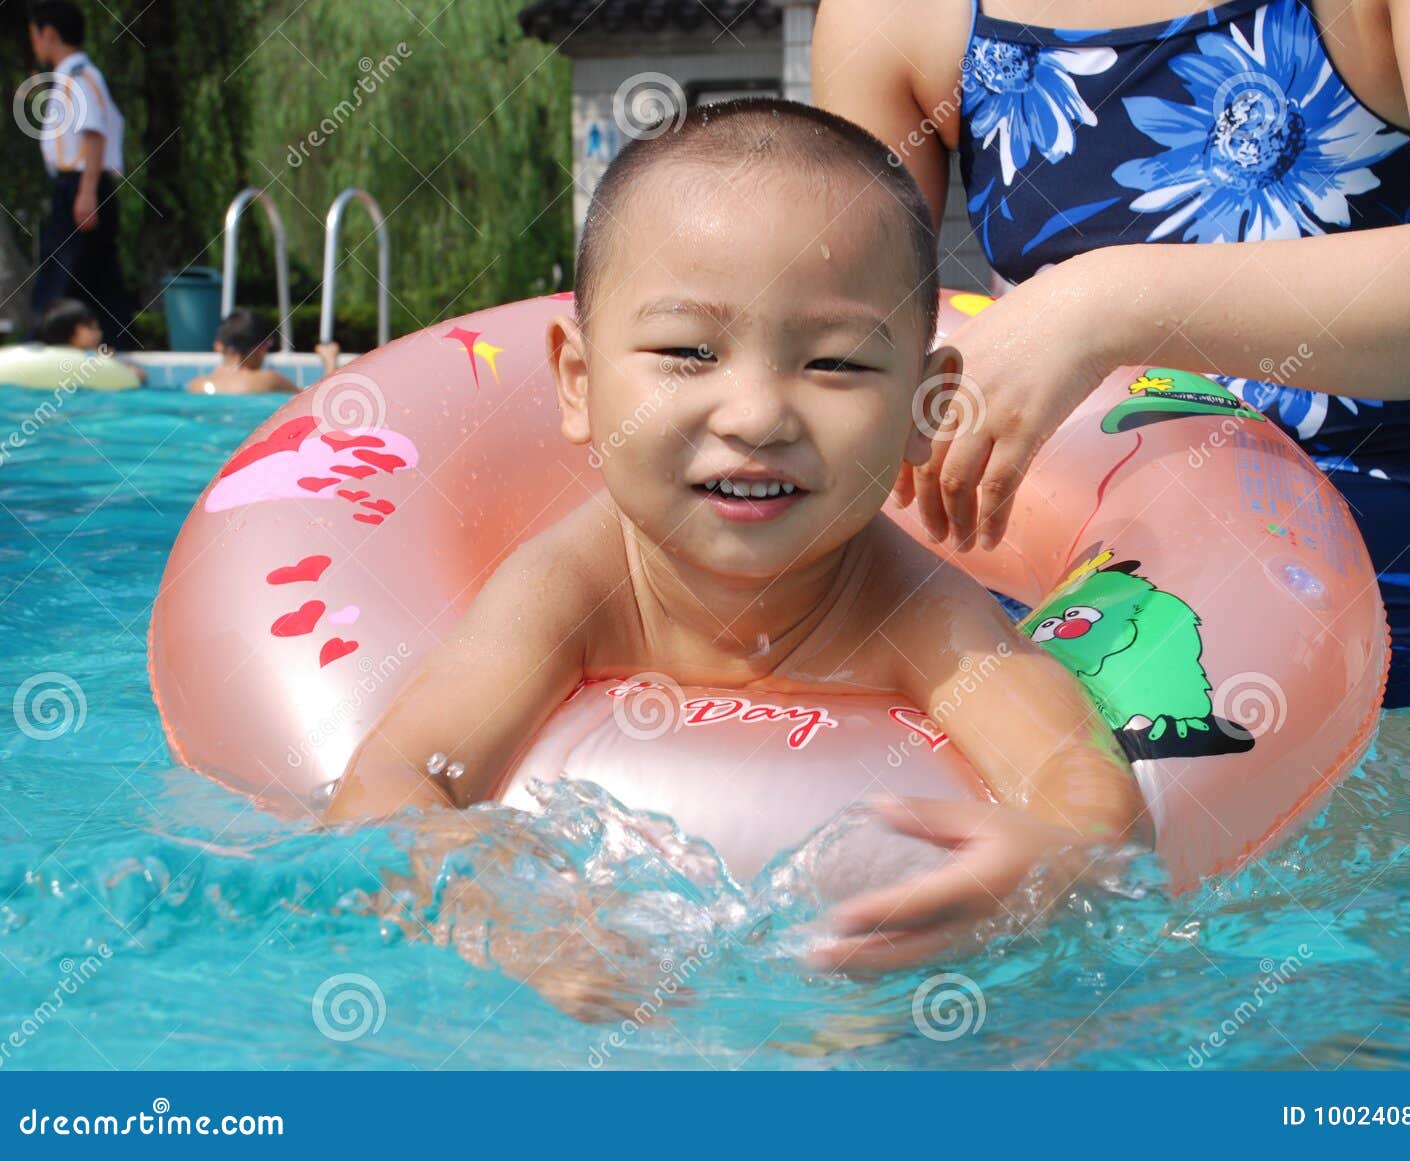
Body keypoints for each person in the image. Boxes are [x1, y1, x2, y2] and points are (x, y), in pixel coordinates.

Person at [325, 98, 1145, 975]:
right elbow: (395, 783)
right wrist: (503, 914)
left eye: (835, 362)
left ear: (927, 406)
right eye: (687, 352)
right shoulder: (567, 587)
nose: (756, 417)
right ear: (576, 380)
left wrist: (1052, 864)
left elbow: (1080, 786)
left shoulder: (916, 612)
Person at [813, 0, 1410, 706]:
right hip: (1063, 591)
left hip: (1403, 624)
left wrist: (1102, 305)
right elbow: (834, 367)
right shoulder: (901, 18)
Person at [26, 1, 132, 349]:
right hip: (77, 185)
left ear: (49, 33)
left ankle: (46, 341)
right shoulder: (71, 78)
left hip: (82, 184)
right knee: (97, 275)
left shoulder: (80, 77)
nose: (34, 44)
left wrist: (86, 192)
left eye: (34, 35)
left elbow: (95, 133)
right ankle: (118, 343)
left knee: (62, 271)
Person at [186, 309, 339, 395]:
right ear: (259, 348)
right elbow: (316, 400)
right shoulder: (269, 380)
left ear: (218, 346)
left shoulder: (196, 386)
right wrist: (330, 361)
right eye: (267, 344)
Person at [36, 295, 144, 382]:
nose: (99, 333)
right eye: (93, 328)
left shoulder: (42, 359)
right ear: (76, 331)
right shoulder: (91, 361)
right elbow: (135, 376)